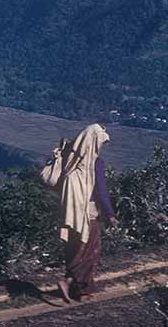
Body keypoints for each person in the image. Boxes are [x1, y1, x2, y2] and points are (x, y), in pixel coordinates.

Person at [56, 123, 117, 302]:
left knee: (75, 248)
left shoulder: (71, 159)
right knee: (91, 250)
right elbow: (101, 191)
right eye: (101, 144)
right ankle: (71, 283)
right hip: (89, 213)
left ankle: (81, 290)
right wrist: (110, 214)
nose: (102, 148)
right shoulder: (95, 163)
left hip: (70, 212)